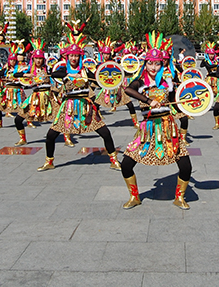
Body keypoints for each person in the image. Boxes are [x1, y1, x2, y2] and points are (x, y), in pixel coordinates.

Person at [119, 31, 192, 210]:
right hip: (148, 128)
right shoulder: (140, 82)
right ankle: (134, 196)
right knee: (127, 164)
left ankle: (179, 197)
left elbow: (179, 98)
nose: (153, 67)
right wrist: (148, 100)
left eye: (157, 63)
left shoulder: (168, 81)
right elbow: (128, 90)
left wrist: (191, 106)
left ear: (162, 64)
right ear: (146, 63)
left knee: (185, 166)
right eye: (150, 63)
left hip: (168, 126)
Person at [38, 33, 119, 171]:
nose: (74, 58)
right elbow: (53, 73)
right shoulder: (63, 70)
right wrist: (69, 75)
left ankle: (114, 160)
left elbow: (99, 78)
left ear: (80, 57)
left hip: (86, 107)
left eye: (76, 56)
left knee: (105, 132)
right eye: (71, 56)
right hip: (68, 107)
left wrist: (112, 78)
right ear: (67, 57)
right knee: (51, 135)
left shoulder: (85, 70)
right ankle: (49, 162)